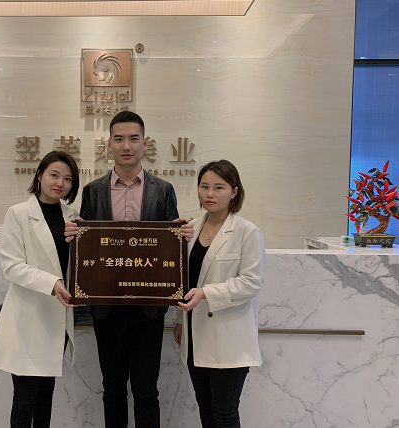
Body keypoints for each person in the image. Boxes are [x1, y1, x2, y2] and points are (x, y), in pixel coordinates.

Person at [65, 110, 194, 428]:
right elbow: (89, 247)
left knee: (147, 391)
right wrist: (75, 235)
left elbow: (169, 251)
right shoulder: (92, 191)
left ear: (145, 143)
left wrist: (180, 235)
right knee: (112, 390)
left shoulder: (163, 189)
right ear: (108, 144)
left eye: (134, 138)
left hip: (148, 309)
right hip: (106, 306)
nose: (127, 146)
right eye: (119, 139)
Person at [0, 150, 80, 428]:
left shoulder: (73, 217)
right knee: (25, 398)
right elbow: (12, 266)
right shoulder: (18, 213)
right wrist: (51, 283)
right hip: (28, 318)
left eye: (67, 179)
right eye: (54, 175)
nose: (60, 183)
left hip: (57, 320)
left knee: (45, 396)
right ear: (39, 175)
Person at [173, 159, 265, 428]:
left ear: (234, 192)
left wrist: (206, 293)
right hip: (195, 334)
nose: (210, 194)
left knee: (225, 413)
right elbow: (182, 280)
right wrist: (179, 321)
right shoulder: (190, 229)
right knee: (205, 407)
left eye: (218, 187)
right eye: (204, 187)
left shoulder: (247, 231)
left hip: (229, 336)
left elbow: (251, 282)